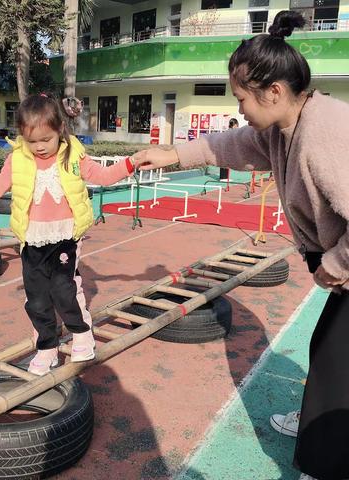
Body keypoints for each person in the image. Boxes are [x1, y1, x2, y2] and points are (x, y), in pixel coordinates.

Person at [133, 10, 349, 480]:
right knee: (329, 351)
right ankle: (318, 422)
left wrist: (337, 259)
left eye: (241, 98)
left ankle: (325, 459)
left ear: (274, 91)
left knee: (336, 366)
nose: (239, 109)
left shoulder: (328, 131)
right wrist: (171, 154)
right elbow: (229, 144)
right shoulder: (282, 127)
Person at [0, 94, 136, 376]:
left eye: (46, 139)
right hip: (32, 239)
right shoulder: (17, 160)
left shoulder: (72, 155)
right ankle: (47, 347)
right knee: (37, 299)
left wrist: (132, 163)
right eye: (32, 141)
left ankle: (81, 333)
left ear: (59, 131)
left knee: (63, 290)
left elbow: (103, 176)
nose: (40, 147)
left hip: (65, 235)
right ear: (22, 137)